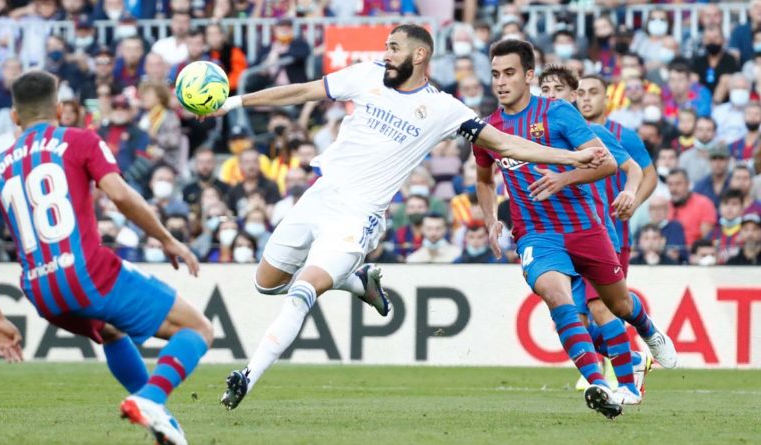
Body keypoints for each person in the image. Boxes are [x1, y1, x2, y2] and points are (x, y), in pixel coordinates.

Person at [203, 24, 608, 412]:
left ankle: (247, 375)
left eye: (393, 47)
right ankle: (356, 280)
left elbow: (504, 143)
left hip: (357, 218)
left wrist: (569, 157)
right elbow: (302, 91)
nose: (386, 53)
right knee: (265, 284)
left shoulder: (444, 108)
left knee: (302, 293)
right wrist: (234, 102)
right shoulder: (366, 76)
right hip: (318, 197)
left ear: (419, 54)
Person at [0, 71, 212, 445]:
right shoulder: (78, 139)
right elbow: (121, 195)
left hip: (41, 291)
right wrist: (166, 239)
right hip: (88, 273)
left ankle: (160, 423)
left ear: (14, 116)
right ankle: (151, 399)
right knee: (198, 329)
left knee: (110, 331)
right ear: (60, 110)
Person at [475, 39, 676, 418]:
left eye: (510, 73)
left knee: (615, 304)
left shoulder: (561, 114)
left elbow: (607, 166)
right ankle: (599, 385)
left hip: (586, 227)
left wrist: (562, 179)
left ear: (529, 76)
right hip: (536, 232)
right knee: (556, 296)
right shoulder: (490, 129)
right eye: (495, 74)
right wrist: (490, 219)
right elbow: (484, 179)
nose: (501, 82)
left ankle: (647, 332)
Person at [538, 67, 652, 403]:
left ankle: (627, 384)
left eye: (560, 89)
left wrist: (632, 195)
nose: (551, 95)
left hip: (602, 233)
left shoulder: (602, 133)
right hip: (561, 238)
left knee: (602, 306)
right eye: (545, 89)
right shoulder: (538, 135)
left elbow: (639, 172)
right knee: (578, 319)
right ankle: (630, 358)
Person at [667, 168, 717, 246]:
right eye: (670, 184)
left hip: (696, 252)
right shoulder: (665, 206)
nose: (673, 189)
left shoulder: (703, 204)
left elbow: (706, 239)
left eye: (678, 184)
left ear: (688, 184)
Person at [710, 189, 745, 264]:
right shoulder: (713, 233)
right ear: (719, 208)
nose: (729, 208)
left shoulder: (748, 232)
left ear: (742, 208)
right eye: (725, 204)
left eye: (734, 204)